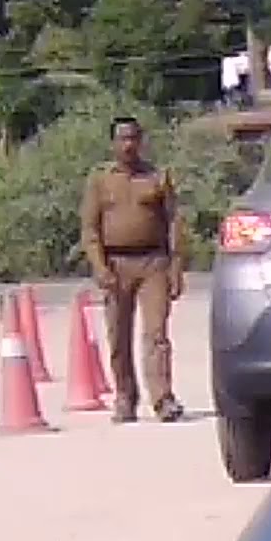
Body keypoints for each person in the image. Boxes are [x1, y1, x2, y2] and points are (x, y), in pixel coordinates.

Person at [79, 116, 186, 424]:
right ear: (113, 143)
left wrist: (176, 268)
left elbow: (174, 224)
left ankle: (163, 399)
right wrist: (99, 266)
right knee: (118, 337)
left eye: (132, 138)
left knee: (156, 335)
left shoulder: (157, 177)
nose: (128, 145)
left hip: (154, 263)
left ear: (141, 141)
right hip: (115, 265)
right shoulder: (100, 180)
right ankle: (125, 397)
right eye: (121, 139)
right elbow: (90, 228)